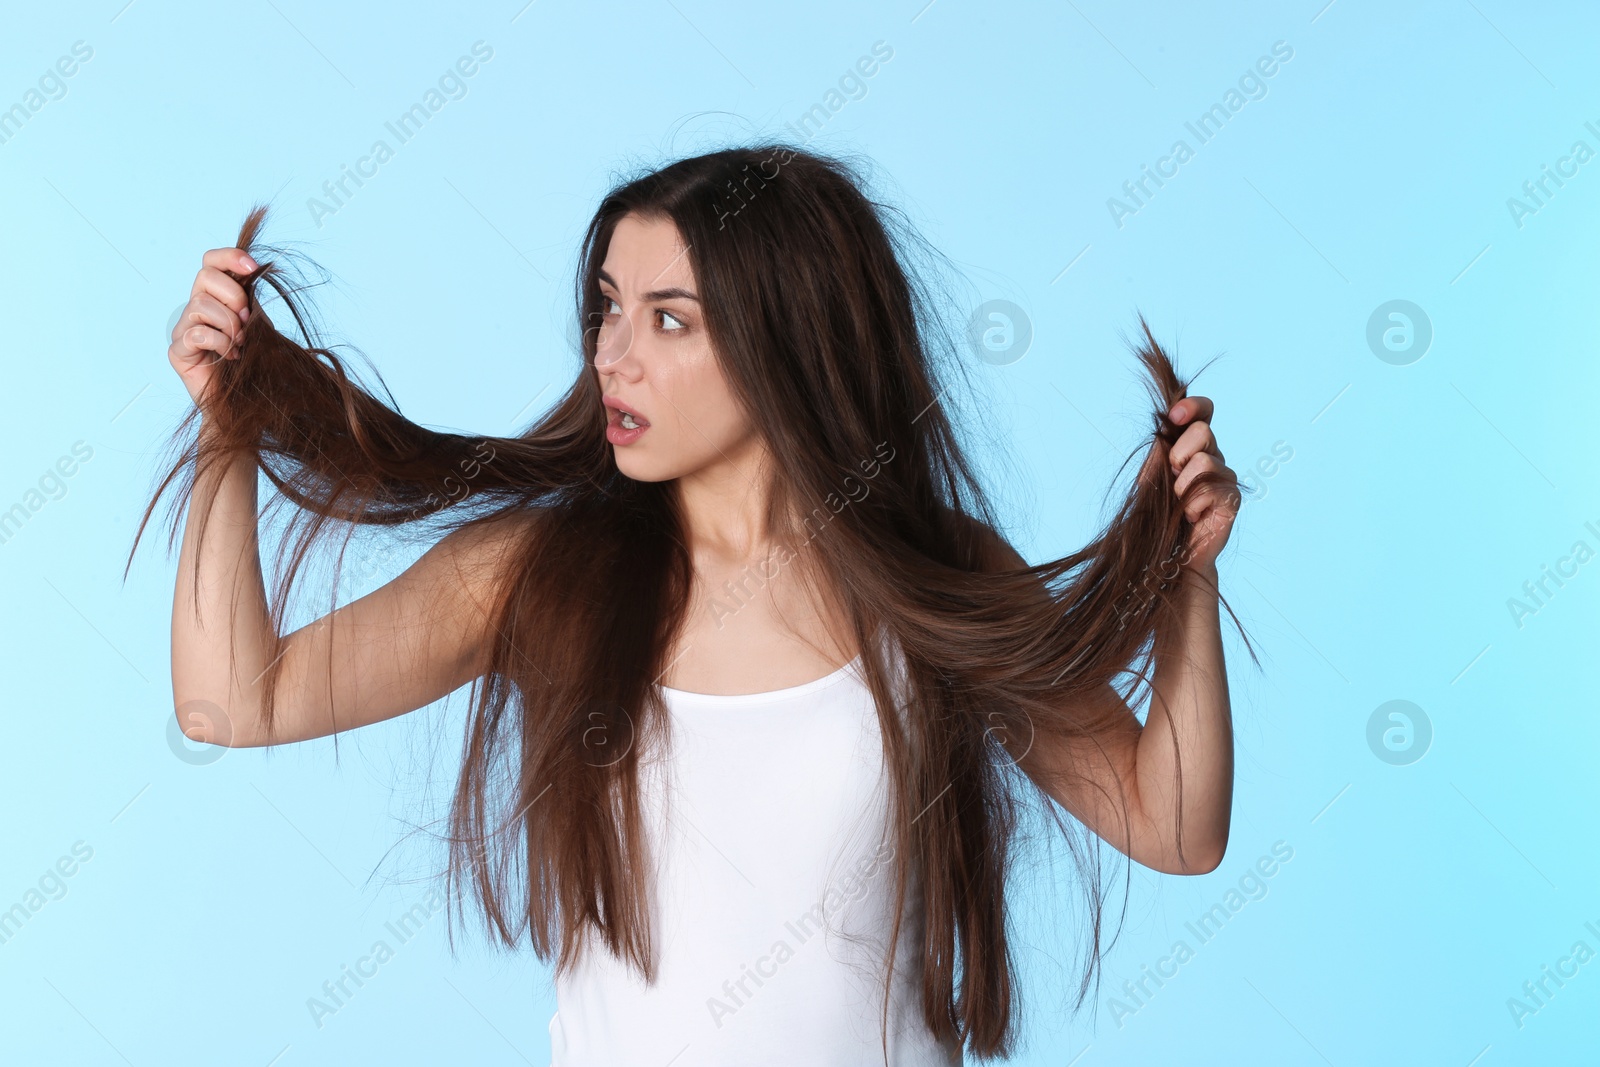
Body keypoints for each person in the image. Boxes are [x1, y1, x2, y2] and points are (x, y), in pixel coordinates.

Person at [142, 144, 1244, 1065]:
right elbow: (233, 700)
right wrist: (228, 424)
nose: (612, 355)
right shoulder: (541, 571)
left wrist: (1186, 571)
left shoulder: (932, 574)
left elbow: (1173, 824)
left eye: (668, 319)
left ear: (788, 341)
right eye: (608, 308)